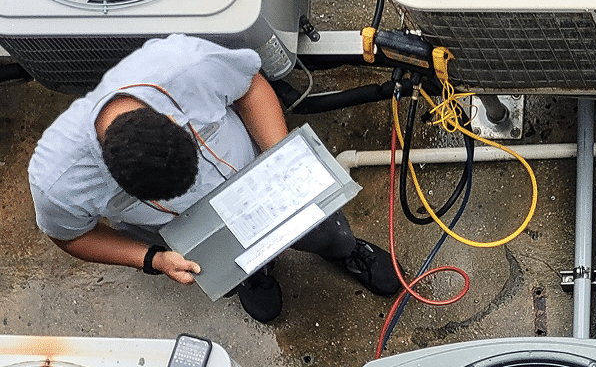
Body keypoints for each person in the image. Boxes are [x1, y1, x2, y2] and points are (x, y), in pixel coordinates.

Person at [28, 34, 400, 322]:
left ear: (172, 119)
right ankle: (253, 276)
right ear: (113, 176)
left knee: (329, 231)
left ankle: (346, 250)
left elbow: (249, 87)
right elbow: (70, 235)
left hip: (260, 179)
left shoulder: (184, 64)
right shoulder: (57, 182)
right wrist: (153, 259)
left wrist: (283, 159)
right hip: (191, 235)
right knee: (231, 270)